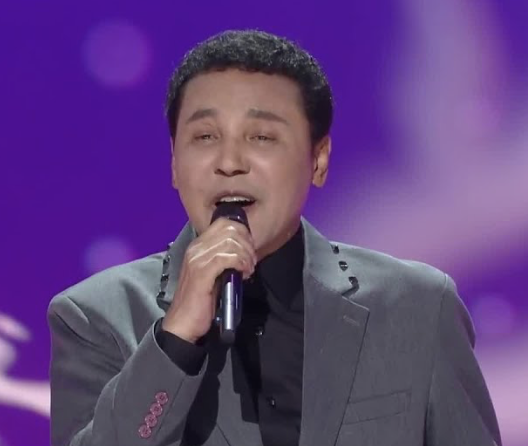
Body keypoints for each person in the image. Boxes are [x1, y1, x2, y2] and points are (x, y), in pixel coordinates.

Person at [48, 29, 501, 446]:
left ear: (318, 159)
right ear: (173, 163)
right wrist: (176, 338)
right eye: (205, 136)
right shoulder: (95, 317)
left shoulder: (417, 307)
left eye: (261, 136)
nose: (229, 162)